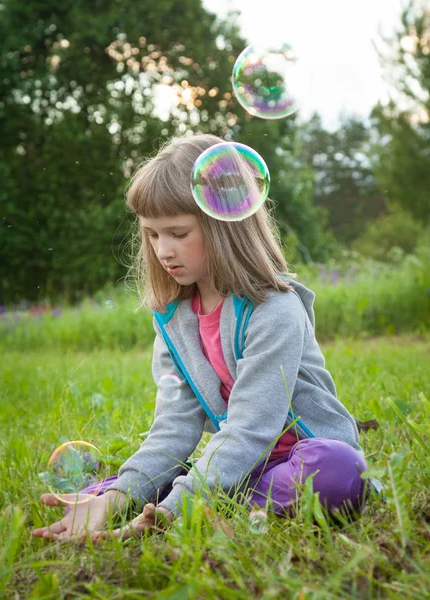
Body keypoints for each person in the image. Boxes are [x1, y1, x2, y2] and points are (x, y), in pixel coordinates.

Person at [32, 133, 367, 544]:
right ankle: (131, 496)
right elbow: (174, 425)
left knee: (338, 472)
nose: (163, 251)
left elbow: (251, 427)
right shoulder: (174, 318)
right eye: (152, 235)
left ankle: (194, 491)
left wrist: (174, 510)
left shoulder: (274, 309)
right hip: (241, 464)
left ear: (224, 224)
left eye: (177, 233)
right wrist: (122, 496)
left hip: (299, 457)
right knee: (138, 480)